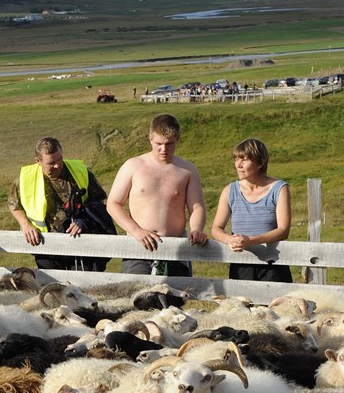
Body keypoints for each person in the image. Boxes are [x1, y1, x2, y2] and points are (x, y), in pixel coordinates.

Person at [106, 113, 207, 276]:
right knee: (137, 296)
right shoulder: (133, 166)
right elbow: (113, 204)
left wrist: (196, 229)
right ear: (150, 138)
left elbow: (197, 207)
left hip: (175, 247)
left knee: (175, 299)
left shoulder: (187, 170)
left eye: (169, 144)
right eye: (159, 143)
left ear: (178, 139)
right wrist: (137, 231)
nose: (164, 149)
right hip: (137, 246)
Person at [7, 136, 115, 271]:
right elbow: (14, 205)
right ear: (38, 161)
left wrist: (84, 220)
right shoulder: (25, 179)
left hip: (80, 243)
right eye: (51, 163)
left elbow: (99, 200)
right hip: (45, 246)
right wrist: (25, 225)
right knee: (52, 288)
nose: (58, 165)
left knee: (83, 287)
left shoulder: (79, 171)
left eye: (60, 159)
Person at [210, 138, 292, 283]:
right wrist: (230, 240)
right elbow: (216, 228)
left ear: (260, 163)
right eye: (236, 159)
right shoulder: (230, 190)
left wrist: (250, 241)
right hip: (241, 264)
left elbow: (283, 230)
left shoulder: (279, 189)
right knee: (240, 305)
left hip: (273, 263)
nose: (238, 165)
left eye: (244, 160)